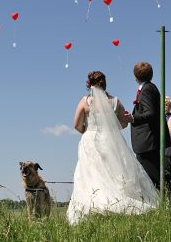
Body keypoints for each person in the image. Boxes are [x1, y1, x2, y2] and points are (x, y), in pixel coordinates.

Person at [67, 71, 158, 225]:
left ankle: (94, 208)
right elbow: (123, 123)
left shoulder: (85, 101)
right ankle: (118, 205)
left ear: (90, 84)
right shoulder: (115, 101)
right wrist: (111, 130)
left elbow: (77, 124)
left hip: (90, 139)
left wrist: (88, 131)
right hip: (111, 140)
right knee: (115, 172)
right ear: (105, 83)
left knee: (90, 174)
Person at [122, 62, 171, 189]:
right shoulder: (149, 87)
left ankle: (162, 203)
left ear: (135, 76)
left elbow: (151, 113)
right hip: (149, 141)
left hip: (147, 141)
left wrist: (132, 118)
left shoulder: (147, 90)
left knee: (152, 177)